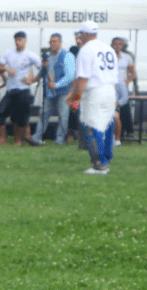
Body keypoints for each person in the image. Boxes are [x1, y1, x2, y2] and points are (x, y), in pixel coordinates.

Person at [65, 21, 117, 175]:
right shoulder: (108, 48)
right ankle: (106, 159)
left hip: (94, 92)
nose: (79, 36)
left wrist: (75, 100)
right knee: (107, 125)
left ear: (85, 34)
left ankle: (99, 164)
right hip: (109, 91)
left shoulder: (86, 50)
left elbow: (83, 80)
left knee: (91, 126)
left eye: (80, 33)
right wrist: (71, 96)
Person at [0, 31, 40, 146]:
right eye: (16, 40)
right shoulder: (8, 53)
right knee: (0, 113)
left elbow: (43, 69)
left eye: (20, 39)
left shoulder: (30, 55)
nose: (17, 42)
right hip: (10, 90)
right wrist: (5, 68)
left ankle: (18, 141)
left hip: (23, 90)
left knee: (20, 117)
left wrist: (32, 80)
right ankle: (2, 139)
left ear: (25, 41)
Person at [30, 34, 74, 145]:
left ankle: (59, 140)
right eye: (50, 42)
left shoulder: (67, 56)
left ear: (60, 42)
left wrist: (57, 84)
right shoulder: (48, 57)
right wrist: (34, 78)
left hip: (63, 92)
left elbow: (70, 76)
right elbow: (42, 72)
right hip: (49, 92)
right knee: (44, 114)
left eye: (54, 41)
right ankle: (36, 138)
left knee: (63, 116)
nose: (52, 44)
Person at [112, 37, 136, 145]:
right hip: (111, 86)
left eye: (120, 44)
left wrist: (127, 81)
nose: (117, 46)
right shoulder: (108, 57)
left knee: (124, 109)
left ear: (122, 46)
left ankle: (126, 133)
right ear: (112, 45)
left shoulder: (126, 58)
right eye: (115, 44)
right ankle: (116, 136)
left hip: (122, 87)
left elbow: (133, 72)